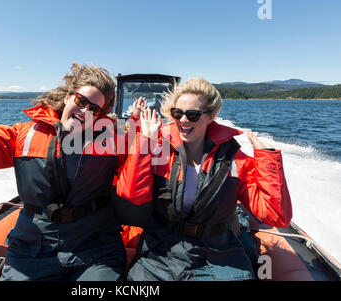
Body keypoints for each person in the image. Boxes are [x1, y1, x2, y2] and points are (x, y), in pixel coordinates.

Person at [0, 63, 152, 281]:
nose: (84, 111)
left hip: (95, 246)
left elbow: (144, 159)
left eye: (94, 109)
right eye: (81, 101)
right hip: (32, 247)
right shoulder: (23, 135)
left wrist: (142, 126)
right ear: (69, 97)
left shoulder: (113, 141)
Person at [121, 77, 293, 281]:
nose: (183, 120)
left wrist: (267, 160)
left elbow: (276, 216)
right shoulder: (158, 150)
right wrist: (145, 142)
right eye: (177, 113)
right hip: (161, 251)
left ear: (211, 116)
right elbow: (131, 195)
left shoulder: (234, 161)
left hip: (218, 254)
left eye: (193, 115)